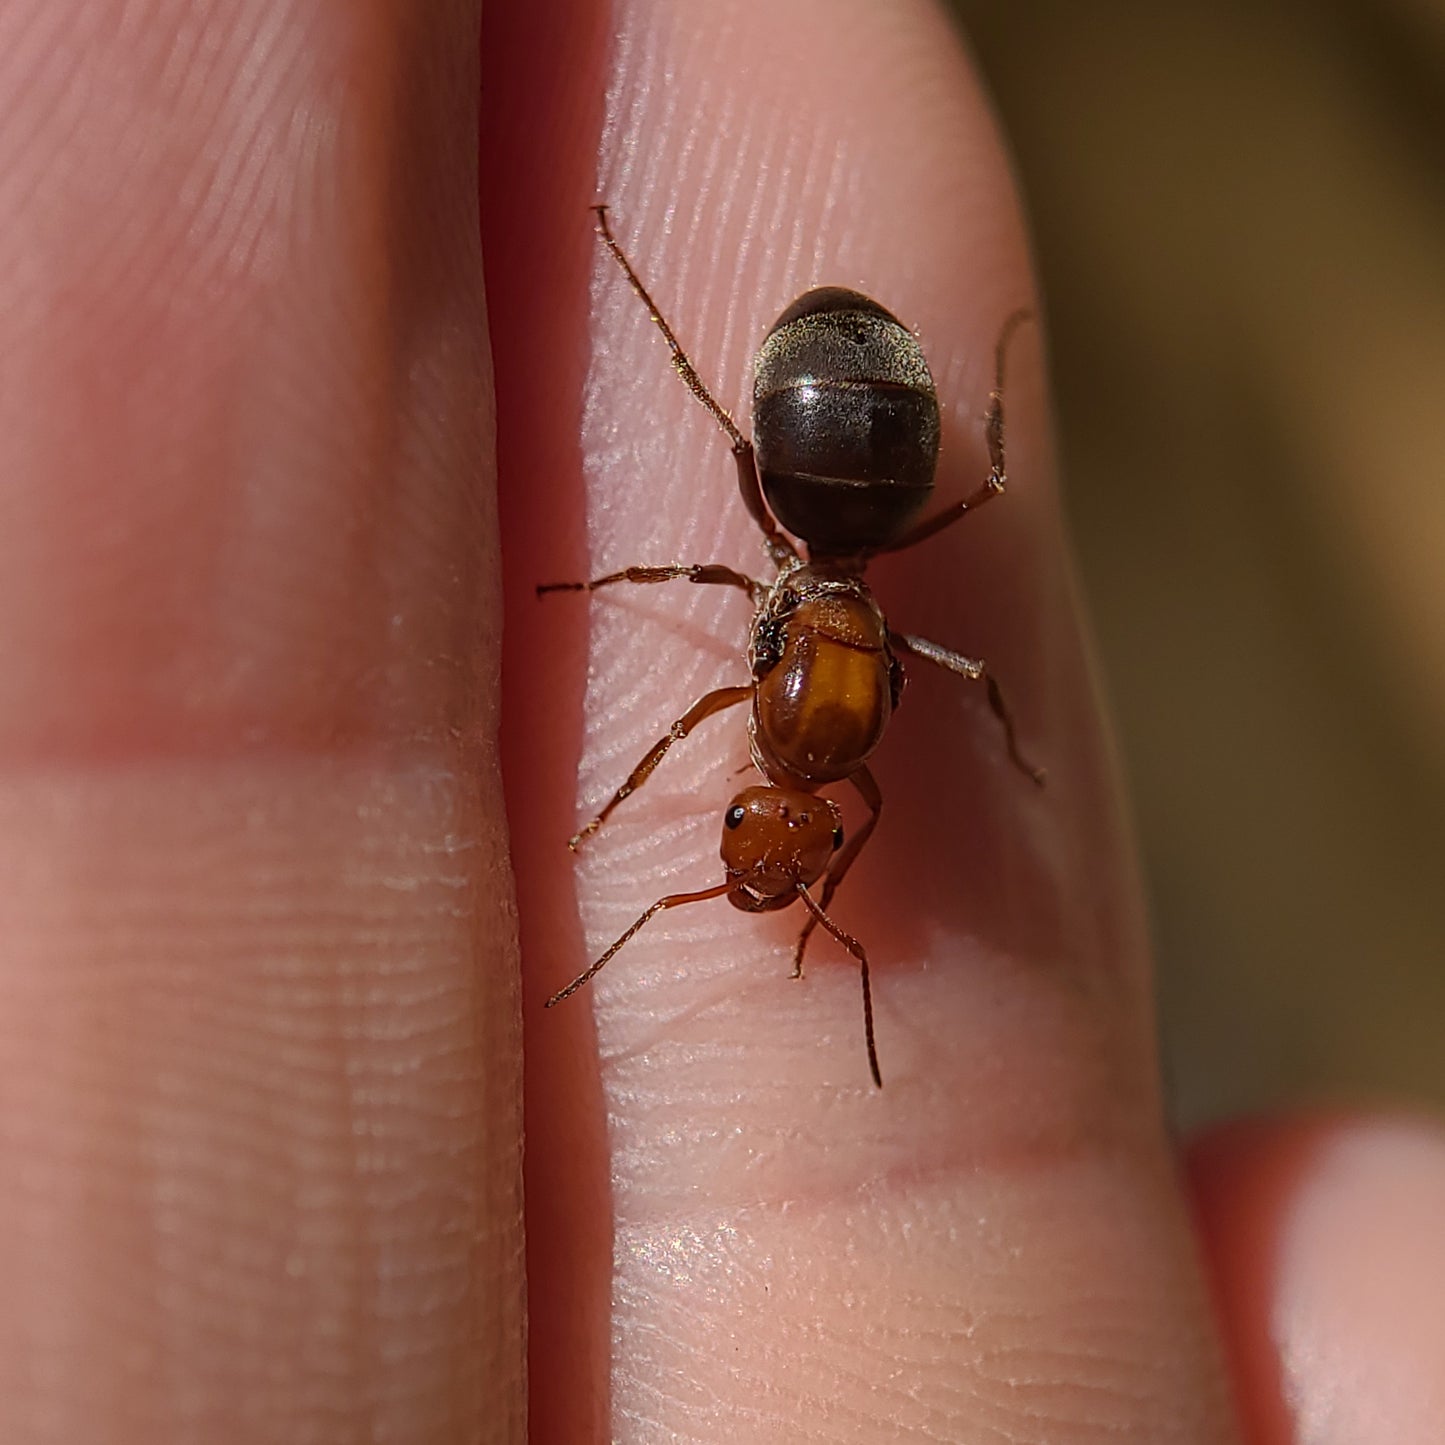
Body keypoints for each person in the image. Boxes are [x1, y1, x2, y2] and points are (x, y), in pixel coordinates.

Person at [1, 2, 1439, 1441]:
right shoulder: (836, 752)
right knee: (872, 530)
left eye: (759, 845)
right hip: (836, 463)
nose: (772, 850)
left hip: (840, 463)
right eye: (789, 858)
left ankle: (712, 311)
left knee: (855, 542)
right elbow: (783, 655)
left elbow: (777, 645)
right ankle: (708, 318)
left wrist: (914, 743)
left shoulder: (840, 754)